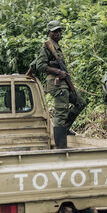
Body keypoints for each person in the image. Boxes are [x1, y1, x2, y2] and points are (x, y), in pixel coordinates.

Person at [34, 20, 86, 148]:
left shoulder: (56, 46)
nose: (58, 33)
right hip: (57, 84)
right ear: (49, 33)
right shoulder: (47, 47)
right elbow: (39, 65)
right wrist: (58, 71)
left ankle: (64, 129)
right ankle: (61, 146)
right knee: (61, 114)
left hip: (64, 83)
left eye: (59, 30)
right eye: (55, 31)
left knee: (80, 103)